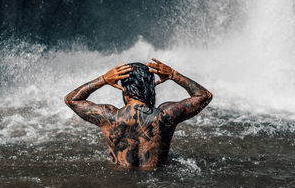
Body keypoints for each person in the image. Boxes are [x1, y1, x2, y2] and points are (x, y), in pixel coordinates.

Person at [64, 57, 212, 169]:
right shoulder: (166, 115)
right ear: (151, 87)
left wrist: (103, 79)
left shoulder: (109, 116)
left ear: (123, 88)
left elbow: (71, 100)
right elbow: (204, 96)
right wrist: (173, 74)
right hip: (158, 182)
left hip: (120, 184)